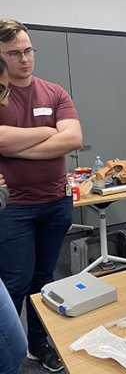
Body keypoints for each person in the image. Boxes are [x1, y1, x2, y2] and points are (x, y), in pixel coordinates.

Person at [0, 19, 82, 373]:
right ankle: (7, 354)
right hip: (14, 207)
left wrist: (16, 145)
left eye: (28, 50)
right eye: (14, 53)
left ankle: (37, 345)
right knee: (15, 283)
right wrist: (48, 132)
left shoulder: (55, 92)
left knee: (43, 279)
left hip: (56, 202)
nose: (24, 59)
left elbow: (73, 139)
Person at [0, 56, 28, 374]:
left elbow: (72, 138)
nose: (7, 100)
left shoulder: (53, 92)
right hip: (15, 215)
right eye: (4, 91)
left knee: (15, 346)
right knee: (10, 352)